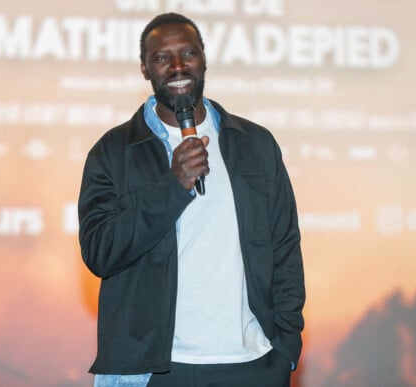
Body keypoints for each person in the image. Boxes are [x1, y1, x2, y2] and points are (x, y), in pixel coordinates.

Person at [78, 12, 305, 387]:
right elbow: (100, 252)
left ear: (204, 59)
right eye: (162, 57)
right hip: (158, 369)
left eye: (189, 53)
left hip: (253, 363)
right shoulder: (113, 152)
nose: (178, 65)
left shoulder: (256, 144)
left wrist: (285, 347)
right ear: (144, 69)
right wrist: (172, 186)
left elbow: (285, 247)